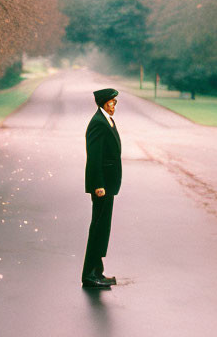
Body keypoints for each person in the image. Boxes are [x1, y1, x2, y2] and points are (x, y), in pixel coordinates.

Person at [82, 87, 122, 288]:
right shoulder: (98, 123)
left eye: (115, 102)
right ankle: (89, 275)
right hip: (102, 185)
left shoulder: (107, 119)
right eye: (111, 102)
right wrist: (98, 185)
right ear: (103, 103)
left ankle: (97, 271)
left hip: (109, 184)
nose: (114, 105)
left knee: (102, 229)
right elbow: (94, 157)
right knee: (98, 228)